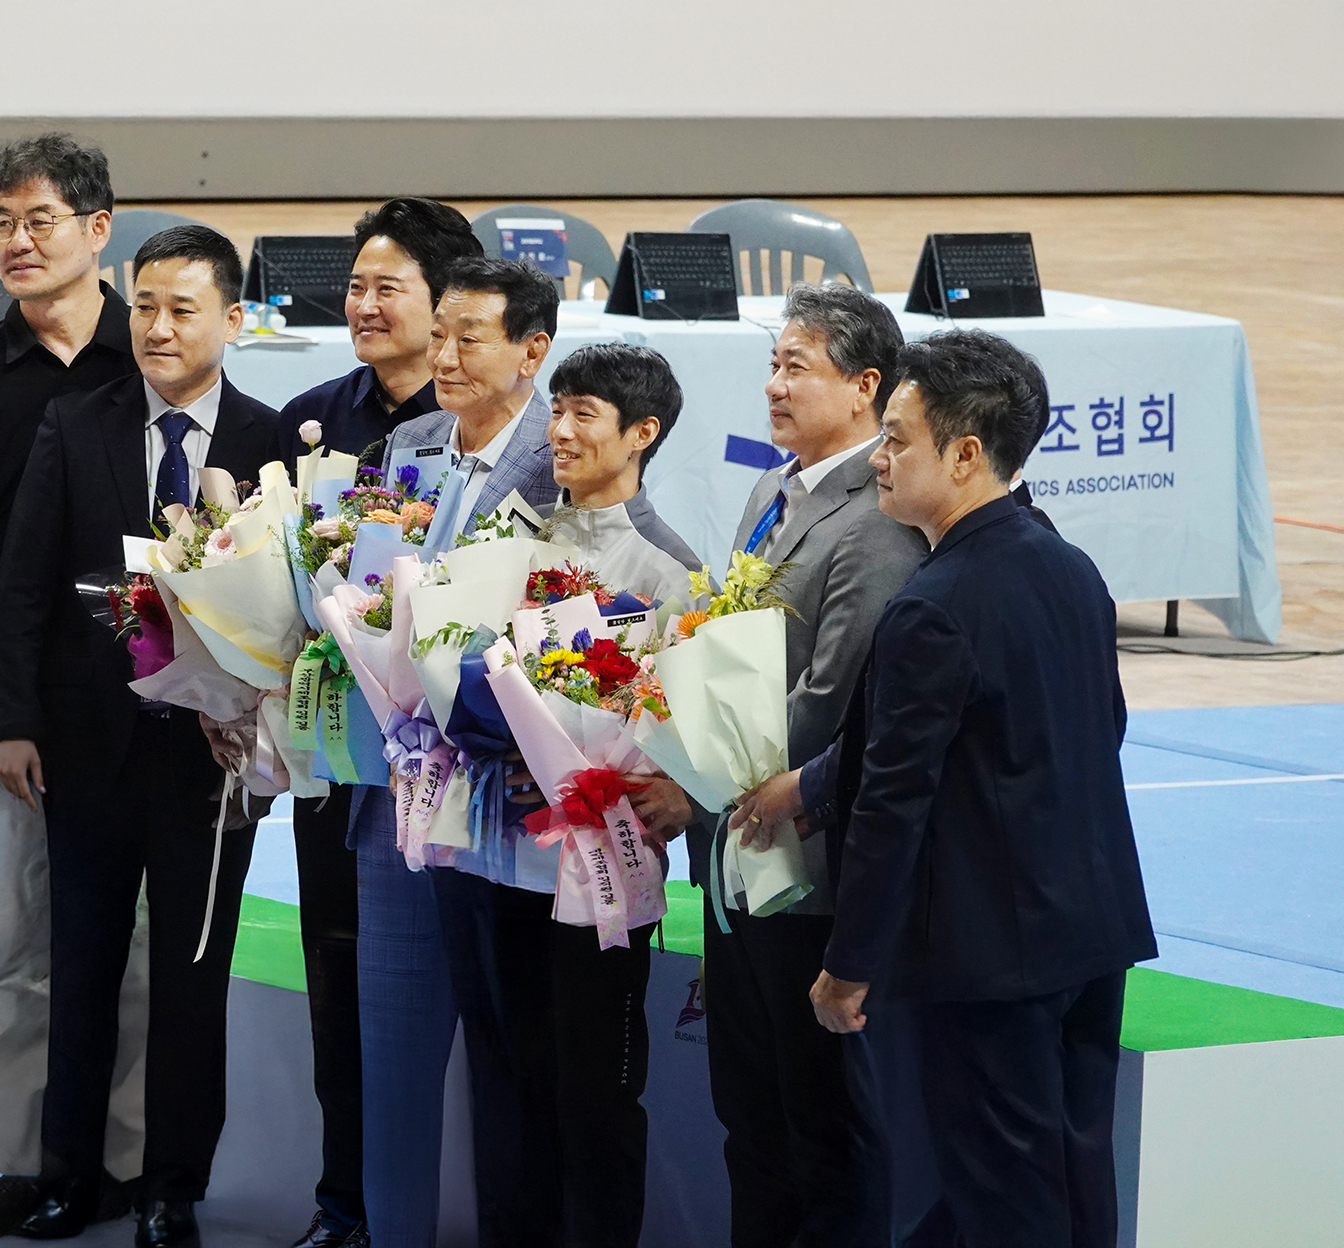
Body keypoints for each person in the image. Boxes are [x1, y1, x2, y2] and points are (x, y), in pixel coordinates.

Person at [735, 329, 1157, 1248]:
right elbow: (1105, 731)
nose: (878, 459)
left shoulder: (934, 604)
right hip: (1091, 933)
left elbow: (891, 805)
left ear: (965, 454)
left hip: (987, 959)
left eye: (896, 440)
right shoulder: (1070, 566)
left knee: (1002, 1200)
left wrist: (849, 965)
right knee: (1075, 1183)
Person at [0, 226, 280, 1248]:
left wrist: (266, 733)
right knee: (83, 969)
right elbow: (24, 583)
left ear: (232, 320)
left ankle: (172, 1188)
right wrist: (15, 724)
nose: (156, 328)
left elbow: (297, 612)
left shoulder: (271, 443)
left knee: (193, 979)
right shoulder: (77, 424)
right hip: (88, 748)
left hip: (213, 764)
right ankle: (70, 1176)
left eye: (181, 309)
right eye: (144, 306)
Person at [0, 133, 151, 1240]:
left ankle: (126, 1163)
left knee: (128, 951)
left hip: (127, 711)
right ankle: (28, 1163)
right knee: (9, 953)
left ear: (99, 229)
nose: (16, 241)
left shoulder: (149, 357)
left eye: (39, 220)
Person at [667, 282, 928, 1248]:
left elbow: (833, 696)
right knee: (749, 1109)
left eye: (796, 367)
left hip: (805, 860)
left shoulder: (879, 518)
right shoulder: (771, 489)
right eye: (772, 365)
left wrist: (703, 763)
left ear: (865, 387)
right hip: (734, 841)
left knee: (820, 1124)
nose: (774, 385)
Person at [446, 342, 701, 1248]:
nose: (558, 430)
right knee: (513, 1078)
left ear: (642, 434)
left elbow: (687, 731)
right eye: (556, 410)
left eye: (583, 414)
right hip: (504, 854)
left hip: (602, 875)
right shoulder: (512, 540)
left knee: (595, 1093)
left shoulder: (671, 571)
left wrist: (653, 787)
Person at [269, 196, 481, 1248]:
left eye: (386, 287)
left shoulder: (487, 426)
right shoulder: (313, 418)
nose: (361, 304)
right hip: (338, 755)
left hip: (454, 766)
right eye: (354, 285)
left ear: (447, 305)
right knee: (338, 982)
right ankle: (344, 1204)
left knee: (461, 998)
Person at [359, 256, 561, 1248]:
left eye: (466, 338)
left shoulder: (565, 458)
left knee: (514, 1051)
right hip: (397, 782)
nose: (441, 355)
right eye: (437, 333)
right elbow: (361, 582)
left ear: (532, 351)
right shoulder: (410, 443)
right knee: (397, 1037)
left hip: (506, 798)